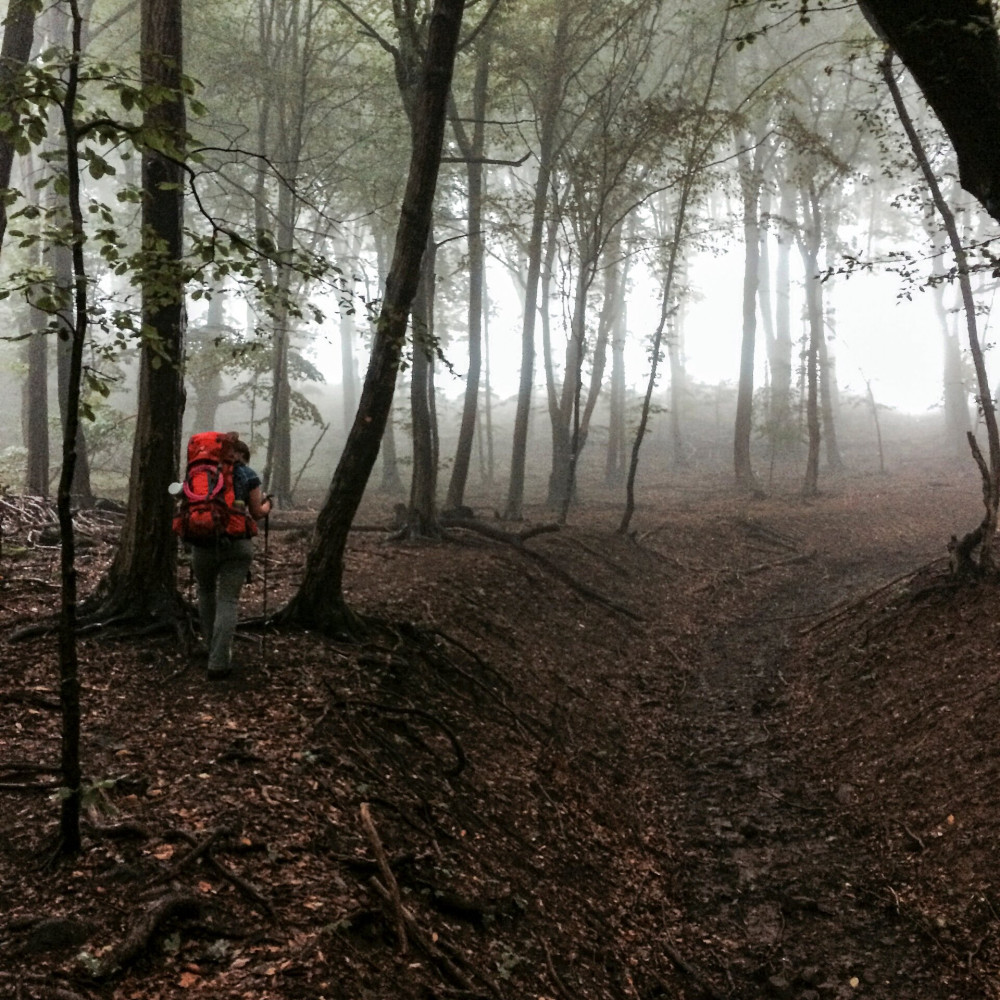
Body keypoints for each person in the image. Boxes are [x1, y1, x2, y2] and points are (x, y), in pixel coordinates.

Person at [190, 436, 272, 679]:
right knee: (228, 600)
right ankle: (218, 662)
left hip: (203, 542)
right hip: (237, 545)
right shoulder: (248, 474)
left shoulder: (199, 473)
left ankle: (209, 645)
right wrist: (268, 505)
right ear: (241, 455)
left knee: (205, 592)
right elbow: (256, 513)